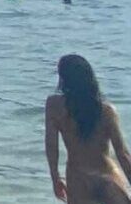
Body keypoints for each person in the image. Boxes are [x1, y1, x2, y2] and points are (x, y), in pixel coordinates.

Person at [47, 54, 131, 203]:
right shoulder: (106, 111)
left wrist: (55, 177)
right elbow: (122, 154)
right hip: (106, 177)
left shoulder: (54, 106)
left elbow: (51, 146)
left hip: (78, 179)